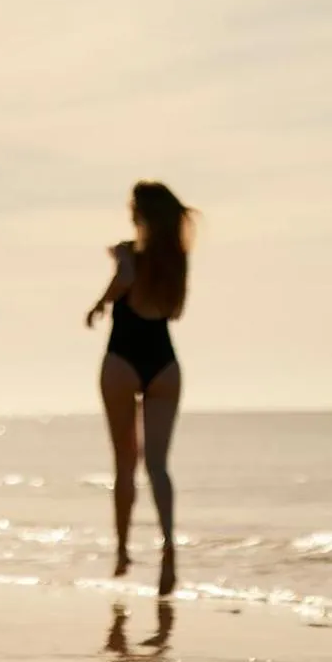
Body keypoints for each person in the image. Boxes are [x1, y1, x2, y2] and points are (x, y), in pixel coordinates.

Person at [85, 181, 195, 597]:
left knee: (125, 463)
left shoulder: (129, 254)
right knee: (158, 466)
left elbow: (125, 277)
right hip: (164, 363)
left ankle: (123, 551)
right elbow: (176, 311)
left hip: (123, 360)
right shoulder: (176, 260)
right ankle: (168, 548)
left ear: (142, 214)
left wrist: (101, 301)